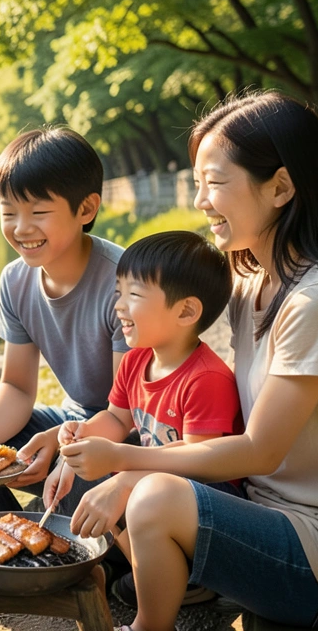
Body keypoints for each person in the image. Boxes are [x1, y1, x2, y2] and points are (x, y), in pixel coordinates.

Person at [58, 91, 318, 630]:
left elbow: (260, 450)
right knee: (102, 468)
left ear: (281, 187)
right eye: (198, 183)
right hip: (268, 520)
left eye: (215, 182)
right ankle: (168, 576)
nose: (201, 200)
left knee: (146, 491)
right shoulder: (252, 284)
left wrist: (126, 467)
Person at [0, 126, 129, 518]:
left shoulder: (126, 283)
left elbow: (129, 409)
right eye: (9, 212)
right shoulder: (15, 280)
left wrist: (61, 441)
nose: (21, 228)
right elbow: (16, 386)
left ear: (86, 209)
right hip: (71, 424)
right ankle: (9, 535)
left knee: (87, 474)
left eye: (38, 212)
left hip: (125, 439)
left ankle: (84, 543)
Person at [44, 230, 238, 606]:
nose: (118, 305)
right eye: (118, 291)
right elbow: (117, 419)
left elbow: (203, 460)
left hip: (201, 498)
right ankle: (151, 575)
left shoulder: (206, 379)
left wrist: (127, 478)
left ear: (186, 311)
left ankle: (183, 581)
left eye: (133, 295)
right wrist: (82, 433)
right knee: (96, 479)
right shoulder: (136, 361)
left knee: (125, 483)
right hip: (153, 484)